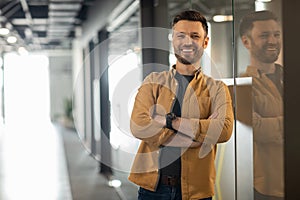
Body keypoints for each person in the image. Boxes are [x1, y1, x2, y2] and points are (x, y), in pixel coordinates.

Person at [128, 10, 234, 200]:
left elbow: (224, 130)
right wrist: (195, 139)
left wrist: (167, 121)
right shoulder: (153, 82)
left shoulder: (217, 88)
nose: (187, 42)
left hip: (196, 192)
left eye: (195, 36)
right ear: (173, 40)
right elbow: (138, 125)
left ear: (205, 42)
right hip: (152, 191)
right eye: (181, 35)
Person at [239, 10, 284, 200]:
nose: (272, 41)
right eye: (264, 35)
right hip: (268, 190)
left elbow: (266, 128)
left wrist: (273, 124)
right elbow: (256, 130)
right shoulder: (241, 86)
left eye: (276, 34)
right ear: (246, 42)